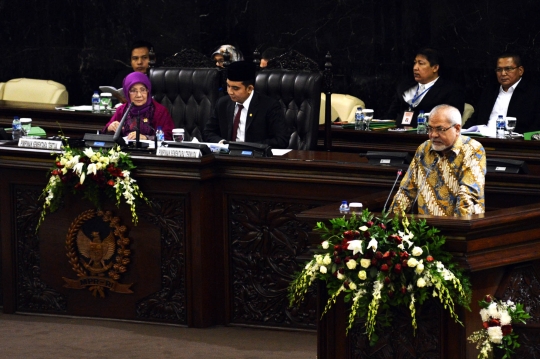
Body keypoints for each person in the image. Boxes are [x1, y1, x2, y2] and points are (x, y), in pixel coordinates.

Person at [390, 104, 486, 217]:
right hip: (424, 228)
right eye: (430, 128)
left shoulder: (472, 150)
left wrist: (455, 229)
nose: (433, 135)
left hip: (457, 227)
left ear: (457, 129)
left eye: (440, 129)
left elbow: (467, 198)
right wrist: (391, 223)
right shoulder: (424, 149)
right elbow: (406, 191)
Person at [202, 61, 290, 148]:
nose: (230, 92)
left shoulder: (269, 106)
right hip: (227, 156)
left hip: (255, 158)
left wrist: (250, 147)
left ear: (249, 88)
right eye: (228, 86)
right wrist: (222, 143)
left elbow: (281, 140)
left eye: (235, 88)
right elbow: (208, 132)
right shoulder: (222, 103)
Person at [385, 48, 465, 128]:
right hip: (397, 133)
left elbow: (449, 122)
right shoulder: (404, 87)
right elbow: (390, 116)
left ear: (435, 68)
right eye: (415, 63)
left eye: (421, 63)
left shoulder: (450, 91)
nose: (415, 68)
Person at [465, 53, 540, 134]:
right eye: (499, 70)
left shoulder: (534, 94)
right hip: (484, 141)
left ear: (520, 71)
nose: (503, 73)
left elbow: (535, 127)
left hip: (515, 144)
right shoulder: (490, 92)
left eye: (508, 69)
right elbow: (475, 119)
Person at [102, 72, 174, 141]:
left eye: (143, 90)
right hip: (125, 151)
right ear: (127, 92)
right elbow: (105, 132)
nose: (139, 95)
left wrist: (146, 138)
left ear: (148, 91)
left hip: (150, 152)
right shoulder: (121, 110)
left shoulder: (160, 111)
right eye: (133, 91)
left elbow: (168, 137)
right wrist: (110, 128)